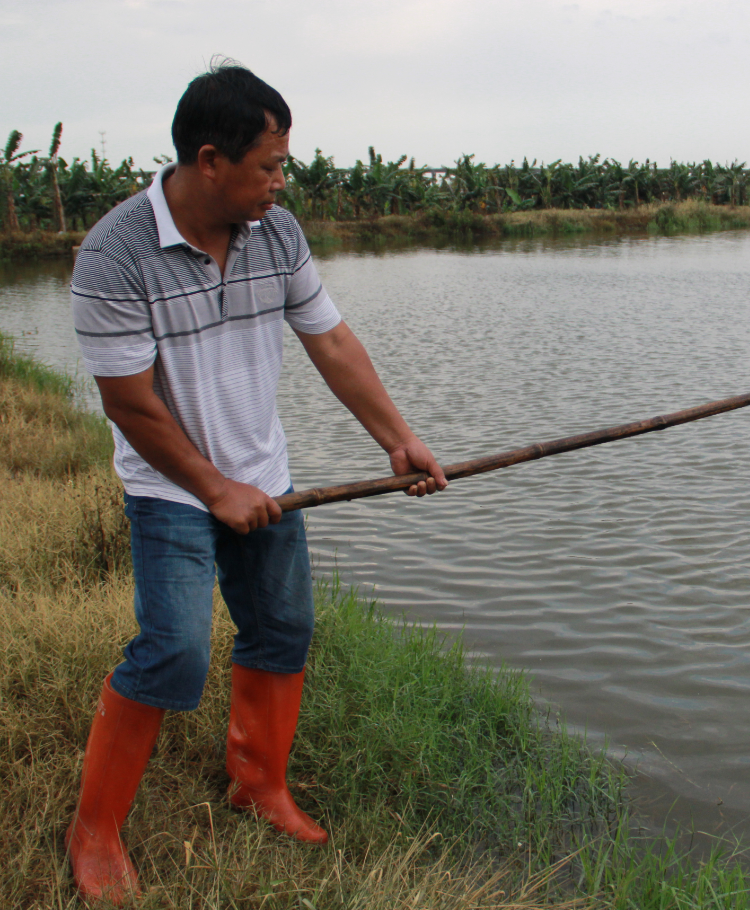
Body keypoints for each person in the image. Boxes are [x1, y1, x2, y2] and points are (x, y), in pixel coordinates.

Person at [68, 63, 447, 904]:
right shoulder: (115, 251)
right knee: (173, 649)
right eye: (268, 167)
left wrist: (400, 440)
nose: (280, 183)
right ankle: (94, 831)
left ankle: (257, 784)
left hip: (265, 478)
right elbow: (129, 404)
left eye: (283, 166)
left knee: (281, 629)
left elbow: (333, 342)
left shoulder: (276, 235)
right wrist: (213, 488)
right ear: (211, 160)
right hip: (171, 488)